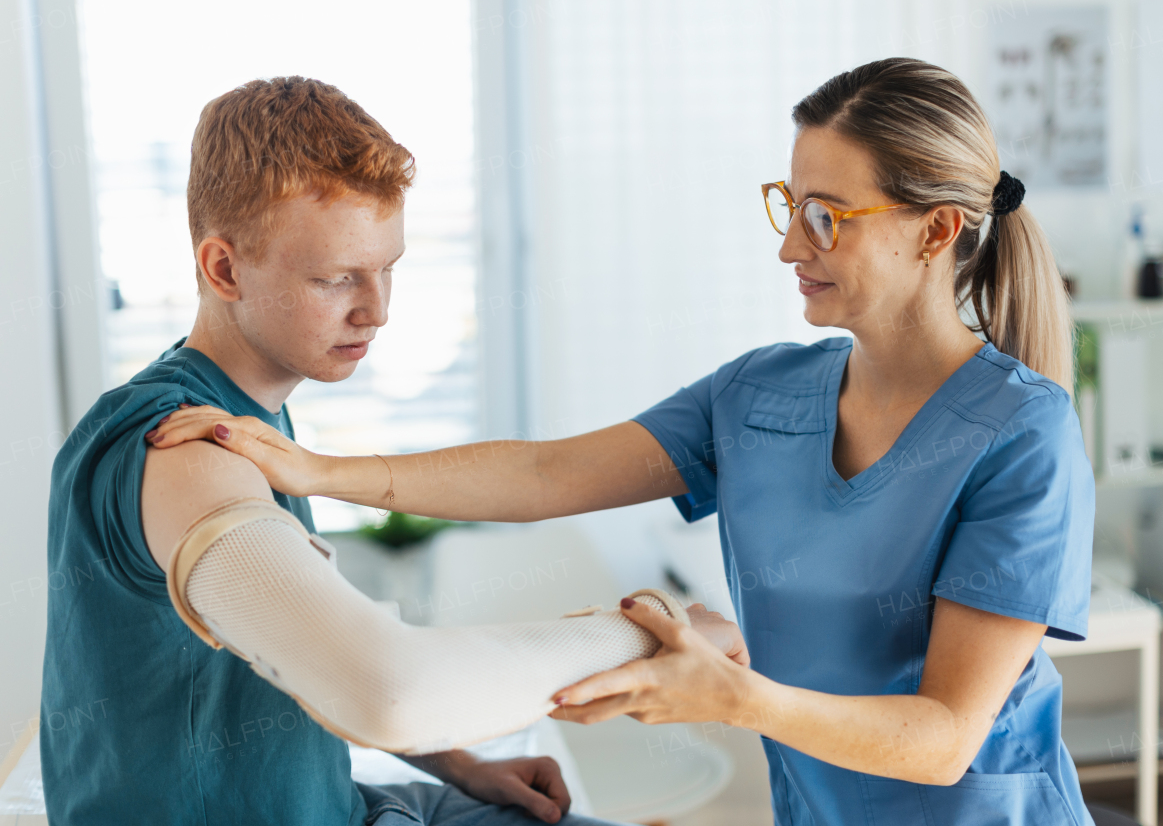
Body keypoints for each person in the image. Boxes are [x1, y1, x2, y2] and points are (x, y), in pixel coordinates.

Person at [152, 58, 1095, 826]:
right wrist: (318, 469)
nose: (790, 247)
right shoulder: (763, 393)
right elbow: (543, 471)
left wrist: (735, 697)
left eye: (826, 218)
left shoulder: (1021, 432)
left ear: (935, 230)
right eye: (790, 204)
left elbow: (944, 738)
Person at [43, 76, 719, 826]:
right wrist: (659, 629)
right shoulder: (185, 447)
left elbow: (302, 646)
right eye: (336, 278)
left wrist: (462, 766)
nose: (378, 310)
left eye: (387, 268)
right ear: (224, 269)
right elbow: (392, 691)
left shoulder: (251, 418)